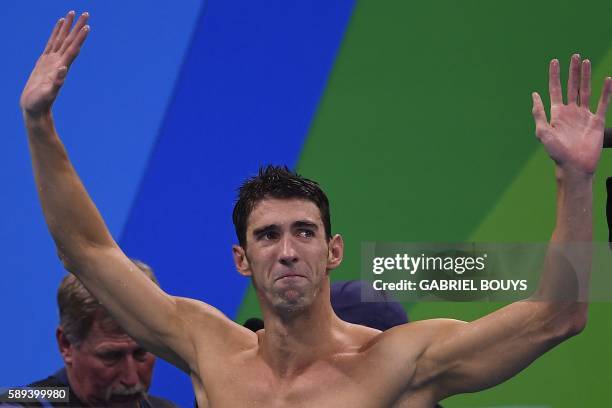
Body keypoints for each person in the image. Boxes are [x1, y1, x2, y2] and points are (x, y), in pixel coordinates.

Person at [20, 10, 611, 407]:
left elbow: (558, 316)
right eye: (268, 236)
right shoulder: (208, 347)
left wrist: (574, 178)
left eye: (304, 232)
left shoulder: (399, 361)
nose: (287, 250)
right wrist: (39, 124)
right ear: (241, 260)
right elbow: (87, 251)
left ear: (333, 252)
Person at [0, 261, 177, 407]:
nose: (130, 379)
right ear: (66, 344)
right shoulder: (25, 400)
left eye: (141, 353)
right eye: (111, 356)